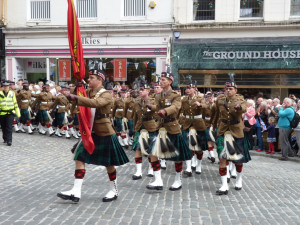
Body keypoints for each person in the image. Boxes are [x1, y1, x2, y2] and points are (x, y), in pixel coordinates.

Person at [57, 69, 129, 203]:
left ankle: (113, 190)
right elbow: (74, 98)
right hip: (89, 131)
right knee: (79, 157)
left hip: (104, 132)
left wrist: (78, 97)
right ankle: (76, 191)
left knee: (109, 163)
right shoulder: (88, 92)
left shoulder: (106, 94)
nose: (88, 80)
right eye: (88, 78)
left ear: (99, 79)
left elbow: (96, 103)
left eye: (91, 78)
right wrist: (77, 87)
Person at [147, 72, 192, 191]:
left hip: (172, 127)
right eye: (160, 79)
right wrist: (152, 107)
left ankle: (178, 180)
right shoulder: (158, 95)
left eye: (163, 80)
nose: (160, 82)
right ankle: (158, 180)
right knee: (152, 152)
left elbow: (176, 107)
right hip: (160, 127)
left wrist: (165, 111)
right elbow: (157, 107)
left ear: (169, 82)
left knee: (177, 156)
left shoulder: (175, 95)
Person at [212, 76, 251, 195]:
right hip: (223, 130)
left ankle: (239, 179)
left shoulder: (240, 99)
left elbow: (244, 108)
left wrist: (239, 108)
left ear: (235, 90)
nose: (228, 90)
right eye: (227, 88)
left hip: (236, 131)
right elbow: (216, 114)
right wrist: (213, 125)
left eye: (231, 88)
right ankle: (224, 185)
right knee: (222, 157)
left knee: (238, 159)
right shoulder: (220, 99)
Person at [131, 84, 158, 181]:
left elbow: (156, 113)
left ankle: (151, 169)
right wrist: (134, 129)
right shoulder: (137, 101)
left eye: (143, 90)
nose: (140, 92)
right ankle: (138, 171)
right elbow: (135, 116)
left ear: (148, 91)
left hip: (150, 126)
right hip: (140, 126)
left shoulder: (153, 101)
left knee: (151, 150)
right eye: (140, 90)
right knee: (138, 149)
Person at [181, 82, 207, 176]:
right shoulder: (184, 99)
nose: (187, 90)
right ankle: (188, 168)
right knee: (188, 145)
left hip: (198, 124)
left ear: (194, 89)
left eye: (189, 88)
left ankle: (198, 165)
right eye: (186, 88)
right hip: (187, 124)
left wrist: (200, 105)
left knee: (199, 147)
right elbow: (181, 111)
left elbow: (206, 106)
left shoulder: (200, 98)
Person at [0, 81, 21, 146]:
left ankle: (9, 140)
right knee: (3, 127)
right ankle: (5, 138)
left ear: (9, 86)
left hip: (10, 113)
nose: (6, 87)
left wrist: (18, 113)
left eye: (7, 86)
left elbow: (15, 103)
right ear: (3, 87)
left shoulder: (12, 93)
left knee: (9, 127)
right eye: (5, 86)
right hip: (2, 113)